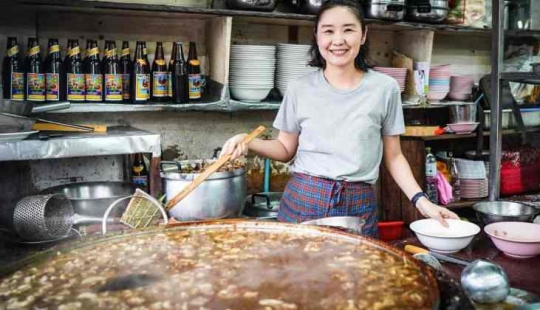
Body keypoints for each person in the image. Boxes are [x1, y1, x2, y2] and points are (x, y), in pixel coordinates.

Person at [221, 0, 459, 238]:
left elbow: (394, 156)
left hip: (359, 202)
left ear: (363, 35)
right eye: (328, 31)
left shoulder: (385, 88)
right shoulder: (299, 88)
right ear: (317, 36)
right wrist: (247, 140)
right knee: (296, 272)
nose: (338, 40)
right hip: (303, 197)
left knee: (355, 273)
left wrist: (422, 202)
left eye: (348, 29)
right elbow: (285, 149)